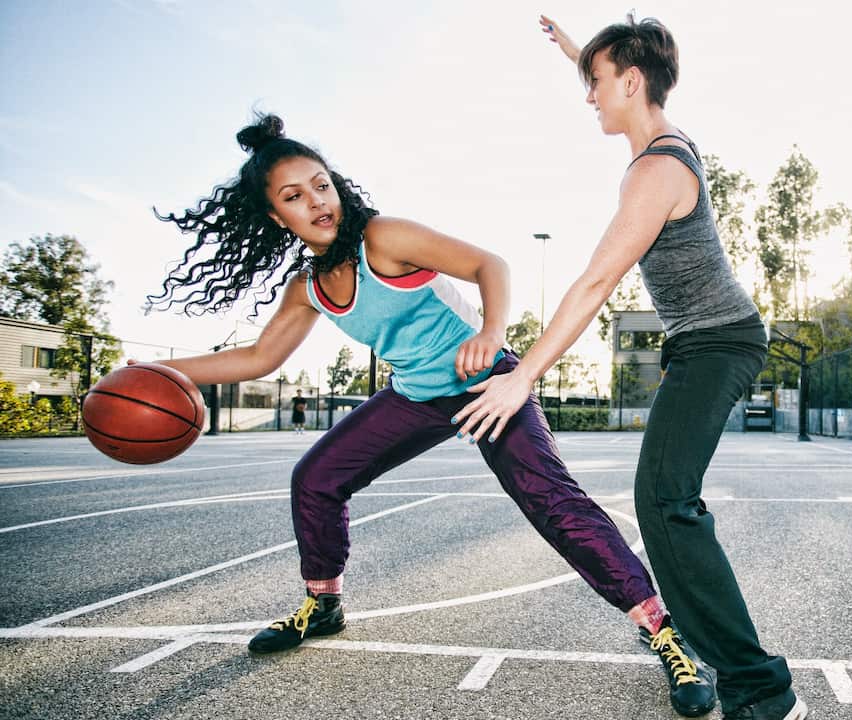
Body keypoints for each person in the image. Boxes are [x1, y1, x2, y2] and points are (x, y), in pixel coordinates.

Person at [144, 112, 715, 718]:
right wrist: (156, 374)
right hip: (416, 395)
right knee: (315, 479)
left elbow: (489, 264)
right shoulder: (307, 287)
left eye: (320, 184)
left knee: (551, 500)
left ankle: (663, 633)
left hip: (487, 383)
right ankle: (324, 602)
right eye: (294, 197)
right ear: (274, 216)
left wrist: (492, 334)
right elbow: (260, 357)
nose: (316, 202)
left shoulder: (383, 238)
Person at [453, 14, 806, 720]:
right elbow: (614, 72)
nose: (589, 94)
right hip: (704, 341)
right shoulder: (663, 140)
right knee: (664, 500)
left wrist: (525, 376)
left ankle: (763, 692)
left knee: (666, 501)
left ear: (633, 81)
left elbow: (594, 281)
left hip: (719, 341)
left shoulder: (657, 171)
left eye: (597, 82)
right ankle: (751, 681)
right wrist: (573, 50)